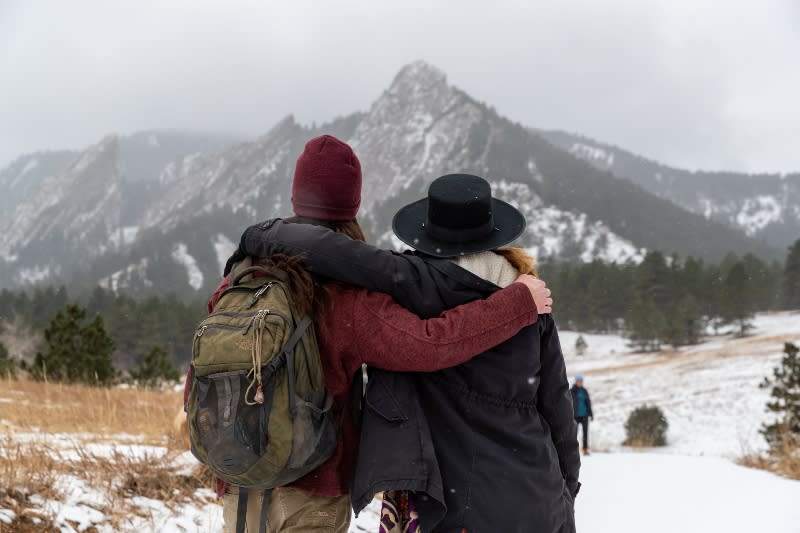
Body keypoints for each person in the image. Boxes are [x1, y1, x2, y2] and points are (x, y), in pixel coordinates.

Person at [188, 135, 555, 533]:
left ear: (296, 196)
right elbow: (429, 344)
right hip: (312, 488)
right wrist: (517, 304)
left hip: (237, 483)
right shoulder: (342, 295)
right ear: (353, 204)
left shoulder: (239, 279)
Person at [571, 374, 594, 455]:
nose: (580, 382)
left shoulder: (584, 391)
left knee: (585, 434)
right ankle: (573, 451)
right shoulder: (572, 391)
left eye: (581, 381)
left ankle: (585, 449)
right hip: (575, 416)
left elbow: (588, 402)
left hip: (584, 415)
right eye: (579, 381)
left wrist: (591, 414)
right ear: (576, 381)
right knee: (574, 434)